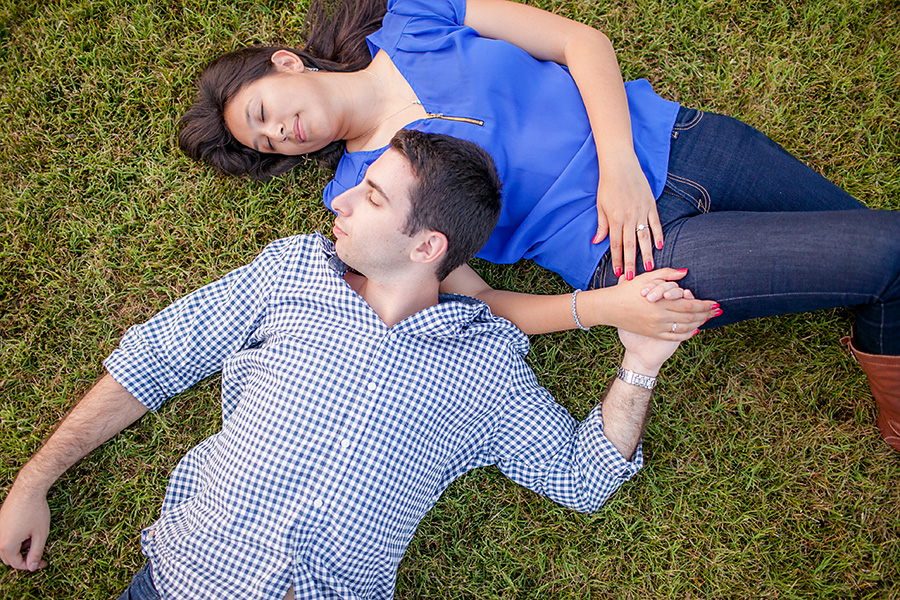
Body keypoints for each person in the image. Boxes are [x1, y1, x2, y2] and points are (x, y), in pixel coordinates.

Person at [177, 0, 900, 451]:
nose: (284, 132)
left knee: (876, 258)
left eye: (265, 112)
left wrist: (618, 168)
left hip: (683, 141)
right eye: (267, 144)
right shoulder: (361, 194)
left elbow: (580, 43)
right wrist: (603, 308)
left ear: (284, 62)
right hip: (642, 255)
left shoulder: (413, 17)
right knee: (890, 251)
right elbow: (473, 304)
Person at [0, 131, 685, 599]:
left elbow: (581, 476)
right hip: (181, 583)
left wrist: (641, 365)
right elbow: (155, 359)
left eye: (374, 198)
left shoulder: (488, 363)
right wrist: (34, 482)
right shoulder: (293, 271)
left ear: (427, 247)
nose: (340, 201)